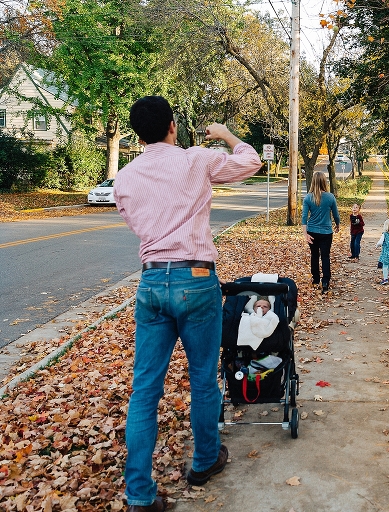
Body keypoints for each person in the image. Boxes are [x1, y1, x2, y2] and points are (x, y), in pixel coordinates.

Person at [114, 95, 262, 512]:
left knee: (144, 390)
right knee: (201, 379)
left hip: (151, 282)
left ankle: (139, 495)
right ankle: (204, 461)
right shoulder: (196, 159)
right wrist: (226, 134)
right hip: (196, 280)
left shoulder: (125, 177)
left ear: (138, 133)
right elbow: (250, 162)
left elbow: (136, 224)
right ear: (173, 125)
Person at [301, 171, 340, 293]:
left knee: (314, 255)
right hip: (326, 232)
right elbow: (336, 215)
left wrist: (305, 234)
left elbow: (304, 219)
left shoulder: (308, 197)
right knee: (325, 256)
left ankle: (316, 279)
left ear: (313, 181)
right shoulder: (330, 197)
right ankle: (325, 281)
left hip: (312, 231)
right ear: (324, 181)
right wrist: (337, 224)